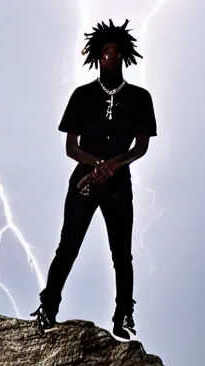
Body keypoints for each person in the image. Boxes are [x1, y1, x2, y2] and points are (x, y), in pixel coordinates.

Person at [31, 19, 157, 340]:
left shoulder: (140, 98)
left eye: (116, 53)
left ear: (125, 56)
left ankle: (123, 315)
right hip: (83, 182)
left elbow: (140, 147)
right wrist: (96, 164)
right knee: (67, 247)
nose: (110, 58)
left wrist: (112, 166)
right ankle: (48, 308)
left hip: (118, 186)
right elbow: (71, 147)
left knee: (121, 254)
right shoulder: (82, 95)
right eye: (104, 53)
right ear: (95, 55)